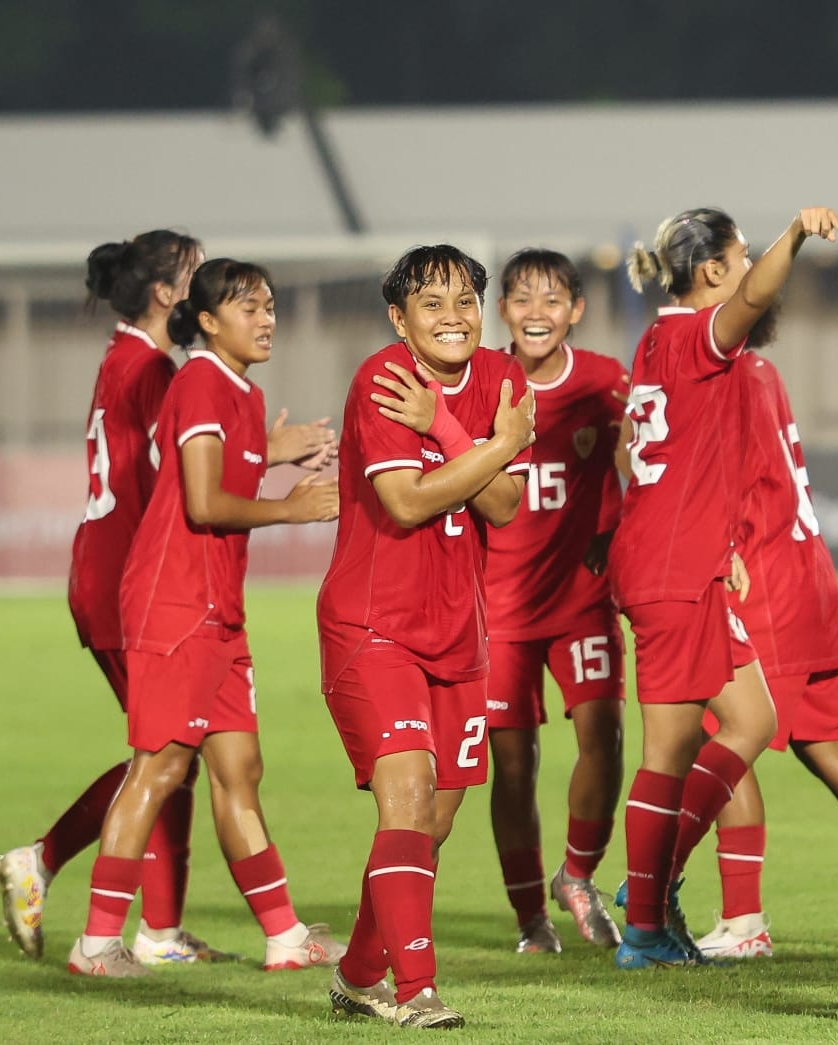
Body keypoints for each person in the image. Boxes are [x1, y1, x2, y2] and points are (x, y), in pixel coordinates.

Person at [0, 232, 336, 965]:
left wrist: (266, 453)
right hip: (168, 601)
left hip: (213, 606)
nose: (269, 317)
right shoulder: (182, 377)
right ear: (195, 310)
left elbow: (189, 466)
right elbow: (202, 492)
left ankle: (281, 935)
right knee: (159, 764)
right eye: (252, 305)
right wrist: (291, 503)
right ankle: (107, 935)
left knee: (234, 767)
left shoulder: (226, 384)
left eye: (272, 305)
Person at [609, 205, 838, 970]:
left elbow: (626, 453)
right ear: (712, 270)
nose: (750, 272)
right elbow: (748, 301)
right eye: (741, 257)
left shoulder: (654, 342)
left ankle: (652, 883)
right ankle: (644, 919)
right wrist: (797, 236)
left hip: (682, 562)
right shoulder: (695, 336)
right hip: (673, 572)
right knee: (669, 751)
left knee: (748, 720)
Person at [317, 245, 535, 1028]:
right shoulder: (382, 377)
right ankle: (418, 991)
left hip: (457, 629)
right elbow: (407, 503)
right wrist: (494, 446)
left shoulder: (502, 380)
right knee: (406, 798)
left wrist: (453, 429)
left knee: (435, 821)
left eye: (465, 300)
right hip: (374, 625)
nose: (453, 317)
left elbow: (505, 505)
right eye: (432, 304)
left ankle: (356, 973)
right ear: (399, 320)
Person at [694, 345, 838, 961]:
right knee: (826, 745)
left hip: (763, 580)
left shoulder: (725, 373)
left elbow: (732, 470)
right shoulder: (761, 369)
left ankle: (742, 920)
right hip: (807, 579)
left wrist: (718, 542)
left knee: (729, 740)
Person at [483, 249, 629, 955]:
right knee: (514, 767)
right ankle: (529, 921)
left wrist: (615, 528)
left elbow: (644, 455)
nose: (536, 311)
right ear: (502, 309)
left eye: (552, 299)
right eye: (521, 298)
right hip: (497, 609)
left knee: (604, 737)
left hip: (579, 596)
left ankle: (577, 874)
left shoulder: (605, 381)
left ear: (576, 309)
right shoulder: (479, 381)